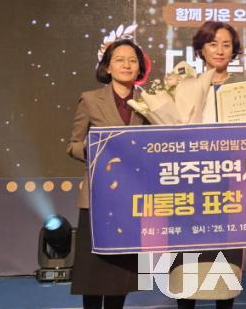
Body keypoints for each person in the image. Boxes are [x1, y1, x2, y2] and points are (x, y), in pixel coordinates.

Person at [67, 39, 149, 309]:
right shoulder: (90, 99)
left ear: (140, 68)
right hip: (98, 197)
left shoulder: (149, 102)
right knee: (93, 271)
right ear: (108, 67)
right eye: (119, 60)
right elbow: (73, 144)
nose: (127, 65)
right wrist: (94, 150)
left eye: (133, 60)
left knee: (119, 272)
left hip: (131, 198)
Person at [170, 20, 246, 309]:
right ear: (201, 49)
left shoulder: (245, 86)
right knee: (187, 256)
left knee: (226, 259)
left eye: (226, 45)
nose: (220, 50)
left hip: (231, 184)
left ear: (234, 50)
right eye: (213, 44)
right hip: (189, 184)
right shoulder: (184, 86)